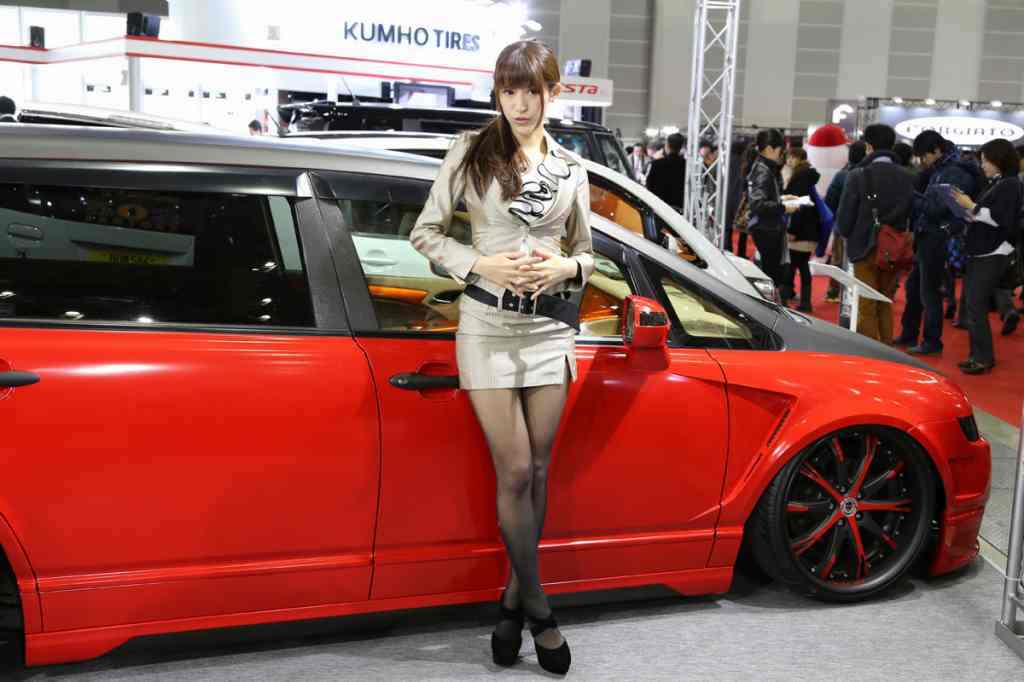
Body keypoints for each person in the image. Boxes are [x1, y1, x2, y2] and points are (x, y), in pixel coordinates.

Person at [410, 39, 590, 675]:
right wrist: (478, 262)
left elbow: (586, 254)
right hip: (486, 327)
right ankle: (540, 608)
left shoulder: (571, 168)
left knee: (539, 470)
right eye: (508, 90)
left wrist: (566, 267)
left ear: (551, 93)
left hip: (549, 332)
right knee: (513, 471)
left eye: (531, 90)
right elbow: (425, 233)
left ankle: (511, 605)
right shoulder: (470, 151)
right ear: (497, 93)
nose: (519, 103)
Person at [895, 130, 983, 354]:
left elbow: (938, 209)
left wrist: (912, 196)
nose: (922, 161)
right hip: (930, 236)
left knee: (929, 292)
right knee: (915, 287)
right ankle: (910, 333)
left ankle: (932, 341)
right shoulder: (943, 169)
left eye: (924, 155)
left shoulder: (954, 173)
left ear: (936, 150)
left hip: (937, 237)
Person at [836, 123, 914, 344]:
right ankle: (886, 349)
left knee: (866, 305)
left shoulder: (858, 175)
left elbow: (844, 218)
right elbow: (911, 212)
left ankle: (871, 353)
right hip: (894, 248)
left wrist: (846, 234)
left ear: (869, 146)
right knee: (884, 301)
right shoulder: (907, 176)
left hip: (864, 248)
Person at [951, 139, 1022, 373]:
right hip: (984, 249)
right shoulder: (1001, 182)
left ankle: (982, 358)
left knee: (975, 305)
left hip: (992, 251)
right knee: (973, 305)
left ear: (998, 160)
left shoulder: (1009, 184)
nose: (982, 166)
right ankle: (978, 355)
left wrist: (971, 206)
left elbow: (1000, 218)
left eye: (985, 161)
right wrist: (968, 209)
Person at [747, 128, 798, 290]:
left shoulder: (763, 167)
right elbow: (758, 204)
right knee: (771, 275)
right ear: (770, 149)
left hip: (766, 227)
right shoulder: (763, 170)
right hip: (767, 228)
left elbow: (764, 198)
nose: (781, 155)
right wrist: (783, 207)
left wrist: (782, 199)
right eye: (779, 150)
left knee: (771, 272)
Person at [823, 141, 867, 302]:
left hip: (841, 224)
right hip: (863, 227)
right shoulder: (869, 175)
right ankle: (858, 295)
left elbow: (829, 200)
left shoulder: (842, 175)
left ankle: (833, 292)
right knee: (861, 262)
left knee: (838, 260)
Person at [782, 147, 821, 311]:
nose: (789, 161)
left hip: (801, 230)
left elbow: (799, 206)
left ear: (799, 158)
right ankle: (801, 299)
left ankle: (787, 299)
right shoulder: (807, 174)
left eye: (792, 157)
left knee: (792, 265)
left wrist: (793, 230)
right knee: (801, 264)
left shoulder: (801, 177)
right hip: (809, 229)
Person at [645, 132, 686, 210]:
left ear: (667, 145)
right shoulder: (686, 165)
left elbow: (649, 185)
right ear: (681, 147)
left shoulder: (656, 164)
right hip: (680, 207)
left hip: (660, 207)